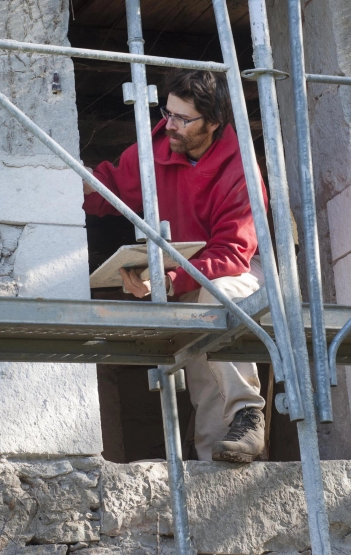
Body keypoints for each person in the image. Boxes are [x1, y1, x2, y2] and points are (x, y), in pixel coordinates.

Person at [82, 69, 266, 463]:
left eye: (184, 118)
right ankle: (218, 463)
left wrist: (168, 278)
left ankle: (249, 414)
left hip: (241, 269)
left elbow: (234, 253)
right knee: (204, 377)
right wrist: (62, 181)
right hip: (185, 274)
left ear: (214, 122)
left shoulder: (240, 167)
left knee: (219, 296)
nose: (171, 125)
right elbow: (108, 190)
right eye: (168, 113)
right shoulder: (156, 146)